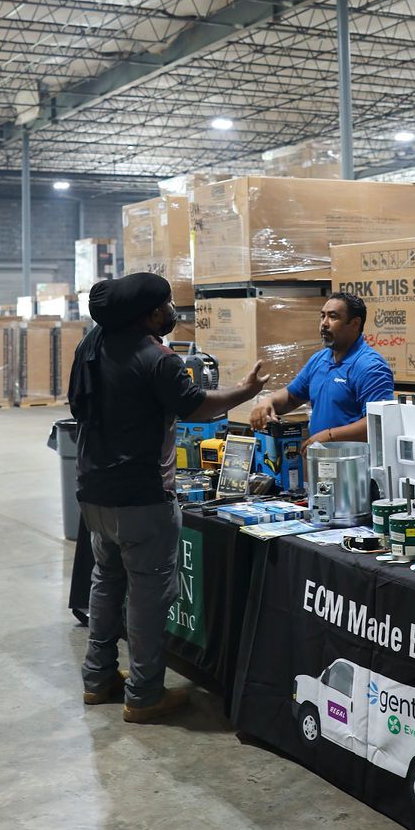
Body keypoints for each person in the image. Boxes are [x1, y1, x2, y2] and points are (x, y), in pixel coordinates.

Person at [69, 272, 268, 722]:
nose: (173, 313)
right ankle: (144, 694)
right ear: (150, 313)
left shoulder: (92, 344)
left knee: (106, 579)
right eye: (167, 306)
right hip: (141, 498)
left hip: (94, 493)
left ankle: (97, 679)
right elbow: (198, 407)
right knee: (147, 595)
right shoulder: (157, 358)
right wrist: (247, 390)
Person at [249, 291, 393, 448]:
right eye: (322, 316)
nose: (324, 323)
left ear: (355, 324)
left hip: (355, 466)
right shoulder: (320, 360)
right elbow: (292, 396)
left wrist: (329, 436)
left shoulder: (370, 367)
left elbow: (377, 423)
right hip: (322, 461)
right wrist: (267, 401)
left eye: (333, 317)